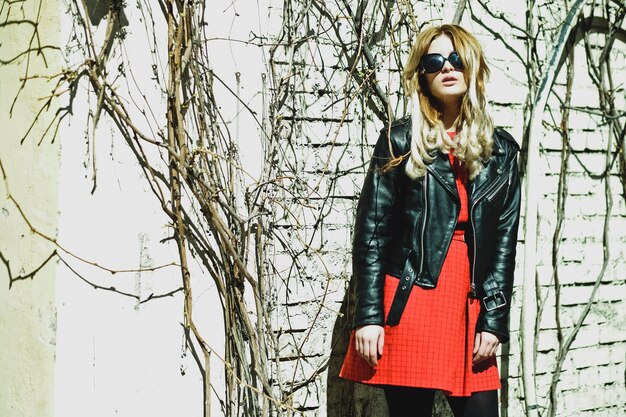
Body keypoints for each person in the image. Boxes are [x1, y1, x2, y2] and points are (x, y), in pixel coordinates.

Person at [339, 24, 521, 417]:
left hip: (469, 303)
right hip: (410, 301)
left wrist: (494, 318)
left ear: (472, 67)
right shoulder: (401, 142)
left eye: (456, 59)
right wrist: (369, 316)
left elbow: (504, 244)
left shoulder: (502, 152)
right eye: (434, 61)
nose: (447, 68)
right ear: (421, 75)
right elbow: (371, 234)